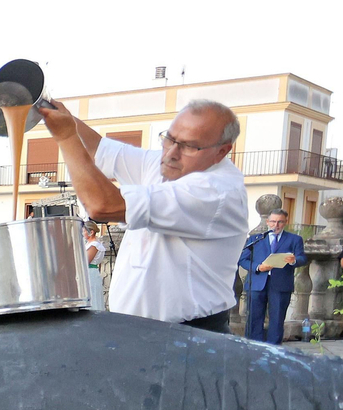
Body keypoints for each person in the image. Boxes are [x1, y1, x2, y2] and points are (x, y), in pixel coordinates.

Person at [36, 98, 248, 330]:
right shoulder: (167, 162)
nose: (171, 153)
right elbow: (98, 148)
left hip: (189, 335)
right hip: (139, 330)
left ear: (222, 151)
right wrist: (49, 110)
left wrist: (66, 137)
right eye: (170, 138)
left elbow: (101, 205)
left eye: (189, 146)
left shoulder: (214, 191)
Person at [238, 210, 303, 344]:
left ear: (285, 222)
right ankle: (253, 346)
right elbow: (243, 259)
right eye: (273, 221)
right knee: (254, 318)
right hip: (257, 283)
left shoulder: (295, 239)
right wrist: (258, 267)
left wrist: (294, 260)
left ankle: (273, 348)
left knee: (277, 318)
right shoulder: (256, 239)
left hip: (280, 284)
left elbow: (302, 258)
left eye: (280, 221)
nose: (276, 225)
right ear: (268, 222)